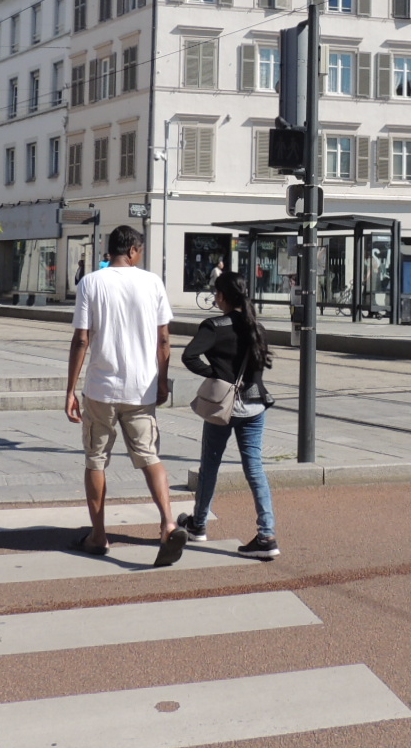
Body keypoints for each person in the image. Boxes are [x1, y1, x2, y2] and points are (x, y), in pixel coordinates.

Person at [65, 225, 185, 564]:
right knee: (150, 456)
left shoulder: (91, 282)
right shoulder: (152, 283)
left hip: (101, 389)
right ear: (132, 250)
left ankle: (99, 535)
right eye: (141, 250)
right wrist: (162, 381)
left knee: (96, 459)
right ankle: (167, 522)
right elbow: (164, 340)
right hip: (141, 388)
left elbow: (81, 340)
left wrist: (70, 390)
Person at [178, 271, 280, 559]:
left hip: (223, 408)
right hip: (255, 406)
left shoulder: (214, 325)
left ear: (221, 297)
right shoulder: (256, 326)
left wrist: (216, 377)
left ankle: (198, 525)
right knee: (255, 469)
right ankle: (267, 534)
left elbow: (189, 356)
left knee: (209, 465)